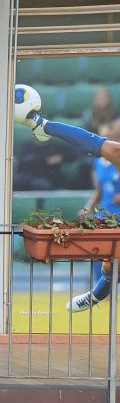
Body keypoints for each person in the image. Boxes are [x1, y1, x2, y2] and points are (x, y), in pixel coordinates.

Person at [16, 83, 120, 312]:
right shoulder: (105, 161)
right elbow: (110, 153)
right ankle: (100, 292)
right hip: (111, 215)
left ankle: (99, 293)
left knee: (110, 267)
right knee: (108, 265)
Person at [68, 118, 120, 311]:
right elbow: (99, 190)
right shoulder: (98, 164)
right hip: (105, 215)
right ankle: (103, 291)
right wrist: (88, 207)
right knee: (99, 253)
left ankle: (107, 290)